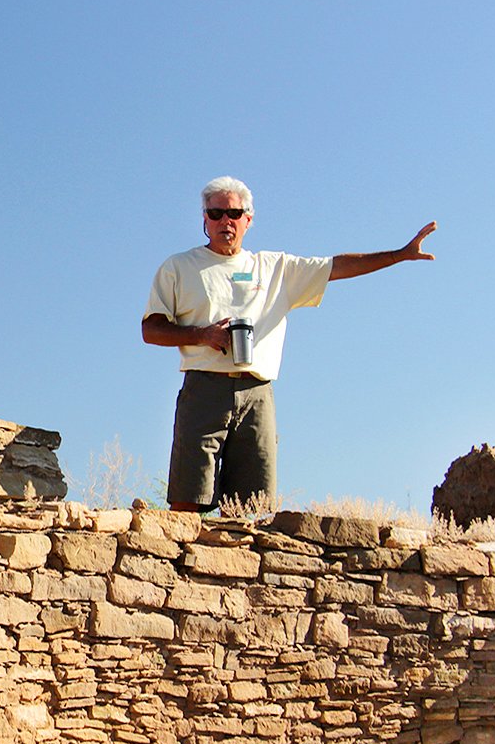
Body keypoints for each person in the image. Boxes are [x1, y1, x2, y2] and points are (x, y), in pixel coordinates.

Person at [142, 176, 437, 511]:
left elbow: (336, 267)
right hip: (203, 388)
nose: (226, 221)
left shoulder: (274, 268)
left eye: (235, 214)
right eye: (216, 213)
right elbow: (151, 330)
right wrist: (202, 335)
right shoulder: (179, 267)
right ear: (204, 220)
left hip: (258, 392)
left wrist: (399, 255)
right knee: (188, 498)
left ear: (248, 220)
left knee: (251, 506)